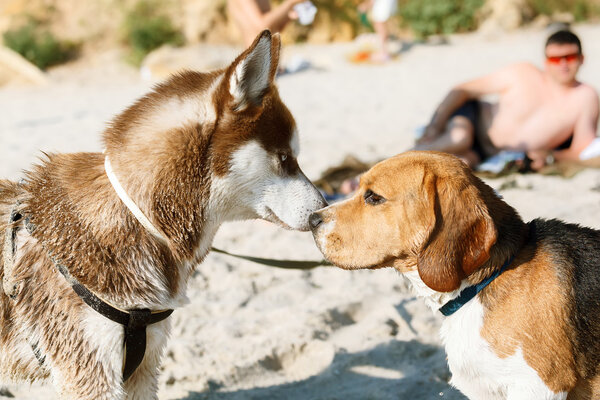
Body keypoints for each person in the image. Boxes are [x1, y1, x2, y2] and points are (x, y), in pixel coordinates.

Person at [415, 29, 599, 170]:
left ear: (582, 59)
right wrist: (435, 125)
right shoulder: (523, 72)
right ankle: (397, 160)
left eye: (570, 57)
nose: (563, 65)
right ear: (546, 61)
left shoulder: (586, 97)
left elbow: (581, 150)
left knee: (461, 165)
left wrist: (551, 156)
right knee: (459, 139)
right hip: (473, 119)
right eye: (556, 59)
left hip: (489, 153)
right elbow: (462, 89)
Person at [228, 0, 307, 46]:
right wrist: (289, 3)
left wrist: (288, 16)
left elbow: (275, 29)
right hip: (256, 67)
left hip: (273, 68)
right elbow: (261, 26)